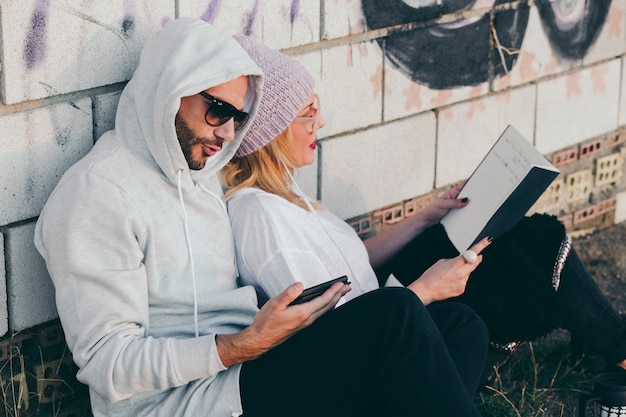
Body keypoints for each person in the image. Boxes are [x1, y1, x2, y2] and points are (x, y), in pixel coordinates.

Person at [34, 18, 488, 417]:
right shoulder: (97, 194)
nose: (228, 132)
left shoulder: (201, 174)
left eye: (240, 117)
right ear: (168, 89)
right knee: (395, 315)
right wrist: (240, 346)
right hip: (189, 403)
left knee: (458, 324)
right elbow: (106, 364)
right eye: (217, 111)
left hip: (244, 370)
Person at [222, 35, 626, 380]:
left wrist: (424, 219)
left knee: (516, 235)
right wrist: (426, 291)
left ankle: (602, 341)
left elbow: (348, 264)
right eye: (306, 115)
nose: (321, 123)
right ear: (269, 132)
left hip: (388, 302)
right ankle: (612, 346)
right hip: (388, 346)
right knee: (536, 247)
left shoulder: (285, 193)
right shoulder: (260, 215)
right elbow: (333, 334)